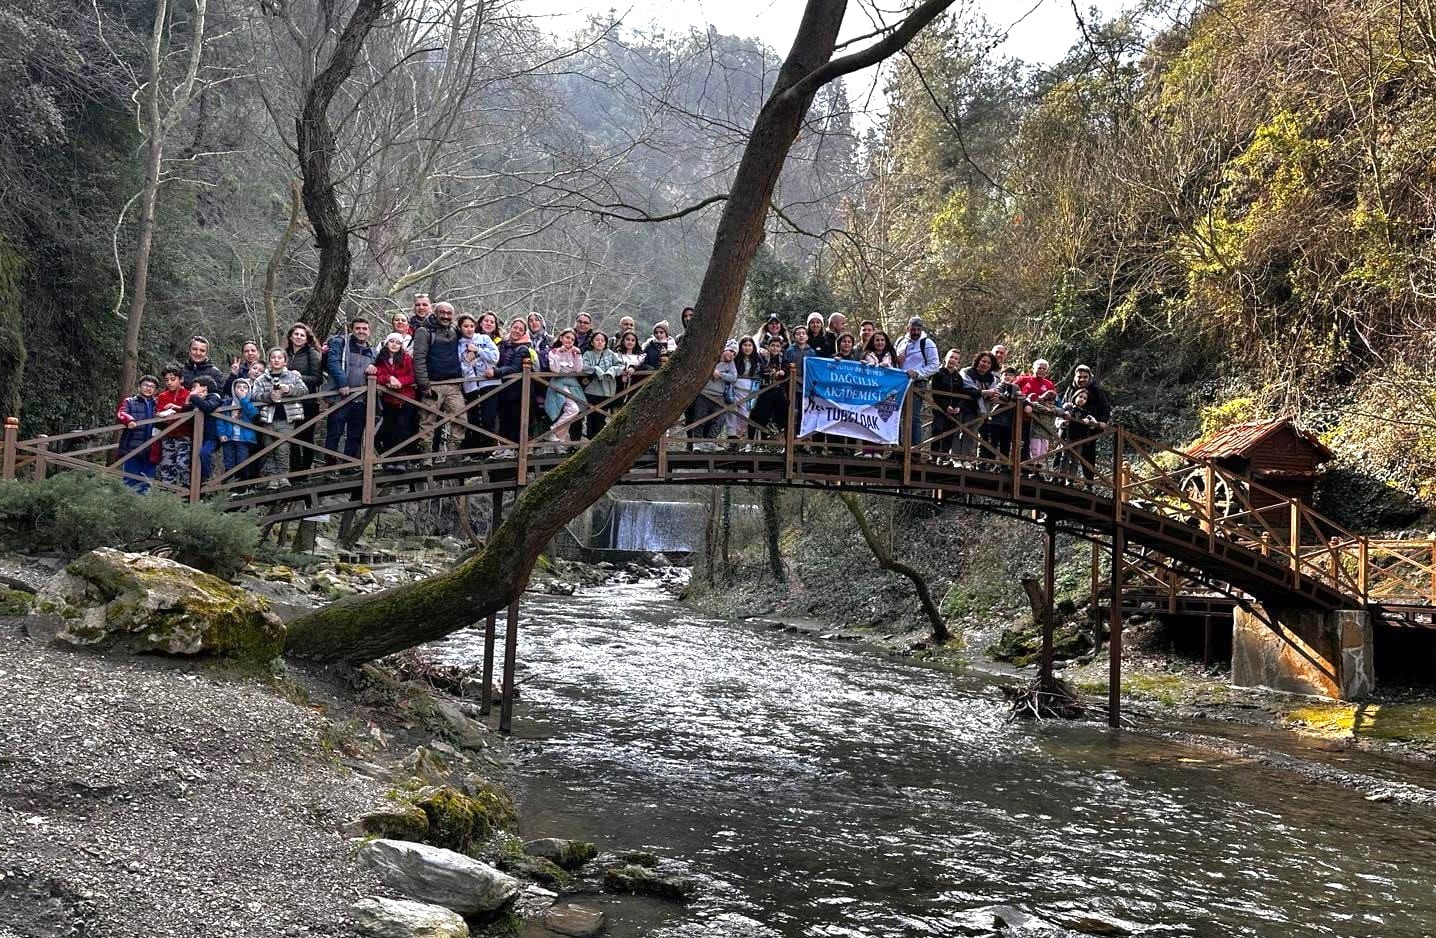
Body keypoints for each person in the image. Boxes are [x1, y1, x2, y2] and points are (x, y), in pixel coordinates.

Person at [323, 317, 377, 462]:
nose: (361, 331)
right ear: (352, 330)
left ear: (369, 331)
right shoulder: (341, 343)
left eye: (364, 329)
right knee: (335, 432)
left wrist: (375, 368)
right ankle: (330, 466)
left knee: (355, 434)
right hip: (340, 398)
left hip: (360, 400)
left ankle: (349, 465)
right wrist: (343, 383)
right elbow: (333, 363)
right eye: (358, 328)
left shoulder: (372, 351)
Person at [413, 301, 464, 454]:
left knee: (461, 419)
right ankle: (426, 457)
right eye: (442, 312)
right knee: (427, 422)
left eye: (449, 314)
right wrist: (424, 384)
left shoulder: (455, 330)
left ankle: (452, 455)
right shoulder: (424, 331)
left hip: (453, 384)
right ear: (435, 313)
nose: (446, 316)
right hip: (432, 384)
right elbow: (419, 358)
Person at [251, 349, 307, 487]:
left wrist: (288, 390)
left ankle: (283, 477)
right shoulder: (261, 379)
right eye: (273, 357)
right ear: (269, 360)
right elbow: (255, 395)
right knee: (268, 448)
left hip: (286, 418)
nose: (276, 360)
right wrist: (269, 396)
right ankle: (272, 479)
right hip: (267, 418)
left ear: (285, 361)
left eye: (279, 357)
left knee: (283, 448)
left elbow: (304, 390)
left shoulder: (293, 377)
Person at [493, 317, 541, 457]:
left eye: (521, 329)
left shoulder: (524, 348)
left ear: (524, 332)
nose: (517, 331)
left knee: (515, 417)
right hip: (503, 387)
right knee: (504, 416)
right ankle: (503, 446)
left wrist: (496, 372)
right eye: (515, 327)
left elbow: (514, 368)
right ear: (510, 328)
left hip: (519, 389)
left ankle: (513, 448)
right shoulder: (502, 344)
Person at [283, 322, 326, 473]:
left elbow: (317, 379)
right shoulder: (285, 354)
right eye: (296, 334)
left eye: (302, 335)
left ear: (307, 338)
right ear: (290, 336)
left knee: (306, 436)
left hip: (308, 401)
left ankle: (306, 469)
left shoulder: (311, 353)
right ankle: (294, 470)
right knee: (291, 437)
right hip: (288, 402)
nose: (299, 337)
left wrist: (300, 376)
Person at [894, 317, 940, 446]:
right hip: (900, 383)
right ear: (907, 328)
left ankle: (914, 449)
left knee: (913, 417)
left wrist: (918, 373)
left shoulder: (927, 343)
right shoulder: (900, 342)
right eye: (913, 329)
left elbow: (934, 365)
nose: (915, 332)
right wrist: (896, 360)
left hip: (917, 384)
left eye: (918, 329)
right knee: (896, 415)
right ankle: (897, 447)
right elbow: (892, 360)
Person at [1061, 365, 1112, 478]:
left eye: (1085, 377)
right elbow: (1063, 404)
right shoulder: (1071, 389)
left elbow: (1105, 407)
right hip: (1069, 427)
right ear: (1075, 377)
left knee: (1088, 455)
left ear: (1090, 377)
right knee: (1062, 453)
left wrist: (1102, 421)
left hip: (1087, 429)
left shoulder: (1096, 390)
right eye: (1080, 377)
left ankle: (1088, 483)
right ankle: (1057, 477)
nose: (1082, 379)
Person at [458, 314, 500, 450]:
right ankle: (476, 451)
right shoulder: (458, 344)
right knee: (474, 419)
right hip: (470, 385)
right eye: (465, 326)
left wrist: (478, 351)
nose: (469, 329)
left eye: (471, 326)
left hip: (489, 383)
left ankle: (490, 449)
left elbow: (495, 357)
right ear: (460, 328)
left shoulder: (484, 338)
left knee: (489, 418)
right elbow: (462, 367)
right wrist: (468, 359)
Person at [375, 332, 418, 459]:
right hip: (388, 399)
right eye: (392, 341)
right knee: (389, 429)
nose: (394, 345)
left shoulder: (406, 358)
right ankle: (389, 458)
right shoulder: (380, 358)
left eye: (398, 343)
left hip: (406, 398)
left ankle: (402, 458)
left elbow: (412, 376)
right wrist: (389, 378)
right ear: (387, 343)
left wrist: (400, 382)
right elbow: (376, 374)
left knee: (403, 427)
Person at [930, 350, 976, 460]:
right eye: (951, 357)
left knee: (949, 432)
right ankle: (934, 456)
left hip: (954, 410)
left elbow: (961, 394)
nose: (953, 360)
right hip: (939, 409)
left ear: (958, 362)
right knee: (937, 429)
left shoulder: (958, 377)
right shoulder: (938, 374)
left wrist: (958, 407)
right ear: (946, 358)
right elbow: (936, 393)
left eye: (955, 358)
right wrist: (946, 406)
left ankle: (944, 457)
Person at [116, 375, 159, 492]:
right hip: (132, 448)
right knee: (129, 480)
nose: (148, 388)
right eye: (145, 385)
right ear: (139, 387)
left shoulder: (158, 404)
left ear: (155, 390)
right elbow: (121, 413)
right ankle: (128, 507)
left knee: (146, 482)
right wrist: (129, 420)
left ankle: (142, 509)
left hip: (151, 449)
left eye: (152, 387)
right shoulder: (130, 402)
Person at [544, 328, 585, 446]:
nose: (570, 341)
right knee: (573, 409)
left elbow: (578, 370)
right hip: (558, 383)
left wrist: (577, 355)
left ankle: (555, 436)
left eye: (572, 339)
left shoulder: (574, 352)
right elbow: (555, 370)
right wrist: (558, 353)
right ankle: (553, 431)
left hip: (572, 385)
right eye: (567, 338)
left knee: (574, 411)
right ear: (561, 338)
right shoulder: (553, 351)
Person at [693, 341, 738, 449]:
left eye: (734, 353)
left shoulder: (731, 364)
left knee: (720, 419)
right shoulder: (712, 358)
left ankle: (711, 442)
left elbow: (733, 377)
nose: (732, 354)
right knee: (700, 417)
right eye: (731, 351)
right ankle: (697, 443)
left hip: (719, 396)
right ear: (724, 349)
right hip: (704, 394)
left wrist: (721, 374)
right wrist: (711, 371)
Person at [959, 351, 1001, 461]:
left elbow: (993, 392)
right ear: (978, 361)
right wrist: (985, 392)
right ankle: (953, 458)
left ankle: (965, 459)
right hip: (963, 406)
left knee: (971, 435)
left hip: (979, 410)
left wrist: (993, 396)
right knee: (955, 432)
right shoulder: (967, 372)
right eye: (983, 361)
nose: (985, 364)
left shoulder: (992, 378)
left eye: (988, 363)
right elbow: (969, 388)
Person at [216, 376, 259, 485]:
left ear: (249, 390)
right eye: (239, 387)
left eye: (245, 387)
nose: (242, 389)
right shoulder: (227, 402)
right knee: (229, 463)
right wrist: (222, 433)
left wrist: (244, 400)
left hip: (243, 439)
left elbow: (252, 413)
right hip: (229, 437)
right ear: (233, 389)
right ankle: (228, 488)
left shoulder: (251, 402)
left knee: (242, 462)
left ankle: (242, 486)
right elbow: (220, 419)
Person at [154, 365, 191, 487]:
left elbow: (192, 414)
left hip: (184, 435)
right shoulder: (163, 396)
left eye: (173, 379)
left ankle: (186, 493)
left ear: (181, 379)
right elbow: (159, 414)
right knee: (167, 465)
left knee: (182, 464)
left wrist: (178, 409)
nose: (169, 382)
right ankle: (168, 495)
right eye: (166, 380)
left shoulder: (188, 395)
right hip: (167, 434)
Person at [182, 376, 223, 485]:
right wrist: (187, 400)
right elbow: (186, 411)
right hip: (199, 437)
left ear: (205, 387)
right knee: (194, 458)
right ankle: (198, 484)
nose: (192, 390)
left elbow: (207, 407)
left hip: (212, 436)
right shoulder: (199, 399)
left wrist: (193, 397)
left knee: (204, 453)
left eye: (195, 387)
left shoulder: (214, 397)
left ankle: (208, 479)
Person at [581, 332, 623, 438]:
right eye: (597, 340)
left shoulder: (610, 353)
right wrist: (595, 369)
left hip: (607, 390)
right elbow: (583, 366)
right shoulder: (588, 354)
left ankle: (599, 440)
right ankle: (591, 440)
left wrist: (612, 371)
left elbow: (620, 365)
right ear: (592, 342)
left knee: (602, 418)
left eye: (602, 340)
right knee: (591, 418)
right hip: (592, 391)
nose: (600, 342)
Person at [748, 336, 789, 439]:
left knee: (782, 412)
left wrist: (783, 372)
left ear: (781, 348)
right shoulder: (763, 356)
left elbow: (787, 370)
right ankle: (758, 440)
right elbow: (761, 369)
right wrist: (772, 372)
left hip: (778, 391)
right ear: (768, 346)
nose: (775, 348)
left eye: (777, 346)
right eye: (773, 346)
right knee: (761, 415)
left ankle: (778, 434)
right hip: (764, 390)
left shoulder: (782, 358)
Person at [984, 366, 1023, 459]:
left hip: (1009, 421)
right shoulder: (998, 385)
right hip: (995, 419)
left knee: (1005, 444)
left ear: (1014, 378)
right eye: (1005, 374)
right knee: (992, 443)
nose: (1008, 377)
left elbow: (1021, 398)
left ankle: (1003, 465)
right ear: (1001, 376)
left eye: (1010, 375)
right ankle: (989, 463)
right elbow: (997, 394)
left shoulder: (1016, 387)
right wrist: (1007, 397)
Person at [729, 336, 762, 439]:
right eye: (745, 345)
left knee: (744, 417)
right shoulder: (735, 358)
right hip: (734, 389)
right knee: (732, 414)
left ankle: (739, 436)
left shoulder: (757, 359)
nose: (747, 348)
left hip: (749, 392)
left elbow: (762, 371)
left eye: (749, 345)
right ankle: (731, 437)